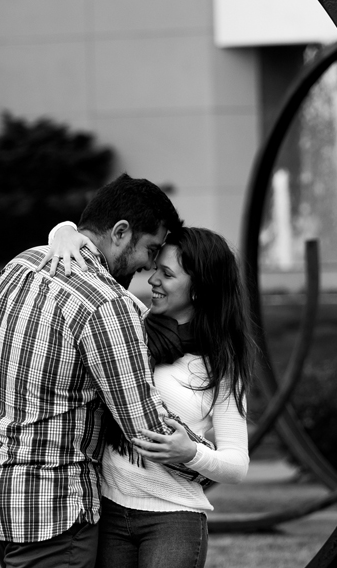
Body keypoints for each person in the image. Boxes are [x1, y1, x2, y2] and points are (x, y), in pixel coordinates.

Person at [0, 173, 188, 568]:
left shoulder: (22, 265)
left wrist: (64, 229)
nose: (148, 267)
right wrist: (206, 462)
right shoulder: (104, 304)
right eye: (150, 249)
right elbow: (145, 426)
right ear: (120, 232)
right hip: (52, 510)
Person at [45, 223, 252, 568]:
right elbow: (73, 236)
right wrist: (65, 232)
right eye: (156, 268)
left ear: (199, 289)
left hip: (172, 520)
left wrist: (190, 453)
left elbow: (237, 465)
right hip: (107, 509)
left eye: (167, 274)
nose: (152, 279)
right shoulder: (130, 324)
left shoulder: (221, 365)